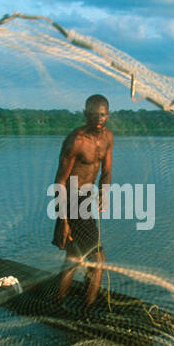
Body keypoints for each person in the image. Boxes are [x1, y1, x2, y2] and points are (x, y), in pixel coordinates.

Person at [52, 94, 111, 310]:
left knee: (74, 258)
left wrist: (104, 192)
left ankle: (57, 304)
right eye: (94, 115)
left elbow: (107, 171)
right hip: (72, 200)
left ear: (108, 115)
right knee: (98, 261)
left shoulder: (107, 138)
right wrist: (63, 220)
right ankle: (87, 310)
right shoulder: (76, 141)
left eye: (102, 115)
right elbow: (60, 180)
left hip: (87, 199)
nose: (98, 119)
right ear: (85, 114)